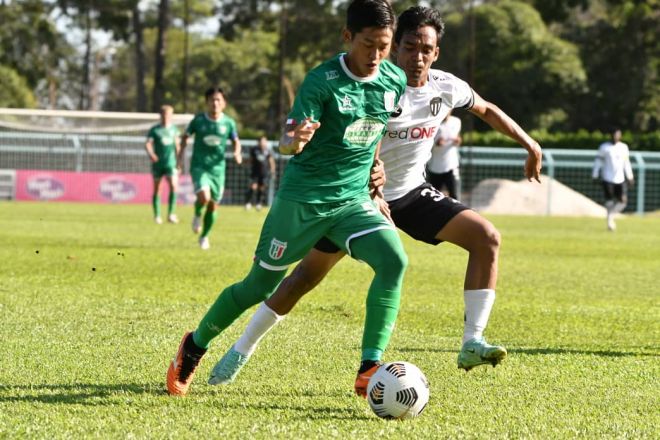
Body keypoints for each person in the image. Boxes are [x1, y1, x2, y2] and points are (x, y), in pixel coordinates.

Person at [209, 5, 544, 395]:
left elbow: (486, 110)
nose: (417, 56)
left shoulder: (445, 87)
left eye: (426, 49)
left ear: (436, 53)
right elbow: (352, 142)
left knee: (486, 237)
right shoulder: (378, 83)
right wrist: (372, 188)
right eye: (409, 46)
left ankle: (471, 341)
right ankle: (240, 349)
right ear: (394, 47)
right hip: (357, 196)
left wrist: (529, 143)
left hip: (411, 194)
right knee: (303, 279)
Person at [166, 0, 409, 397]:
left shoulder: (393, 79)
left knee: (394, 260)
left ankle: (369, 367)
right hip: (302, 201)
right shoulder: (321, 81)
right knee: (257, 288)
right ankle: (193, 346)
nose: (376, 55)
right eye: (368, 44)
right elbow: (288, 141)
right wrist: (290, 142)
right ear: (347, 37)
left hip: (352, 201)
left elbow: (375, 131)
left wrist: (376, 178)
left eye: (384, 45)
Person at [179, 87, 242, 250]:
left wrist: (237, 152)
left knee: (213, 205)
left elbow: (236, 141)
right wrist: (179, 157)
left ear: (224, 103)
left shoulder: (228, 123)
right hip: (200, 166)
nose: (215, 103)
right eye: (212, 100)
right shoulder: (198, 120)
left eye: (218, 100)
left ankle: (204, 236)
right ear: (206, 102)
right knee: (204, 197)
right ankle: (197, 214)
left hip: (218, 170)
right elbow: (185, 137)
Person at [144, 105, 181, 224]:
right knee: (157, 189)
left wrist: (179, 162)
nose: (166, 117)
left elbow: (177, 146)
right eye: (164, 114)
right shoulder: (155, 130)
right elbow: (148, 144)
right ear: (161, 115)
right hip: (158, 163)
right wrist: (151, 154)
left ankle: (171, 214)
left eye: (169, 114)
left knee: (174, 186)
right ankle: (157, 215)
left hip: (171, 163)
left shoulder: (174, 130)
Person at [592, 128, 634, 231]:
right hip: (607, 178)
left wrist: (630, 176)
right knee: (609, 201)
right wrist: (595, 174)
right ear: (611, 135)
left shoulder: (624, 147)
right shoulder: (604, 147)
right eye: (614, 134)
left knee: (623, 201)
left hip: (620, 178)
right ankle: (610, 222)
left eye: (618, 135)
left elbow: (626, 163)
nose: (616, 136)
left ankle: (610, 217)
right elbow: (598, 162)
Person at [426, 109, 462, 199]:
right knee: (432, 198)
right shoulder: (432, 123)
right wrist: (436, 143)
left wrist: (458, 141)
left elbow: (457, 138)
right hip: (435, 167)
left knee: (454, 196)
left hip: (451, 165)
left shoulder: (456, 121)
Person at [245, 135, 276, 211]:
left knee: (261, 188)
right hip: (255, 172)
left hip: (264, 172)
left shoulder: (268, 150)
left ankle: (259, 203)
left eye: (264, 141)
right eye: (262, 141)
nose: (263, 143)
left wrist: (272, 170)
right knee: (253, 187)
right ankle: (248, 203)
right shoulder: (254, 150)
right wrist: (245, 164)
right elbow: (250, 159)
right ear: (258, 142)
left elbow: (271, 161)